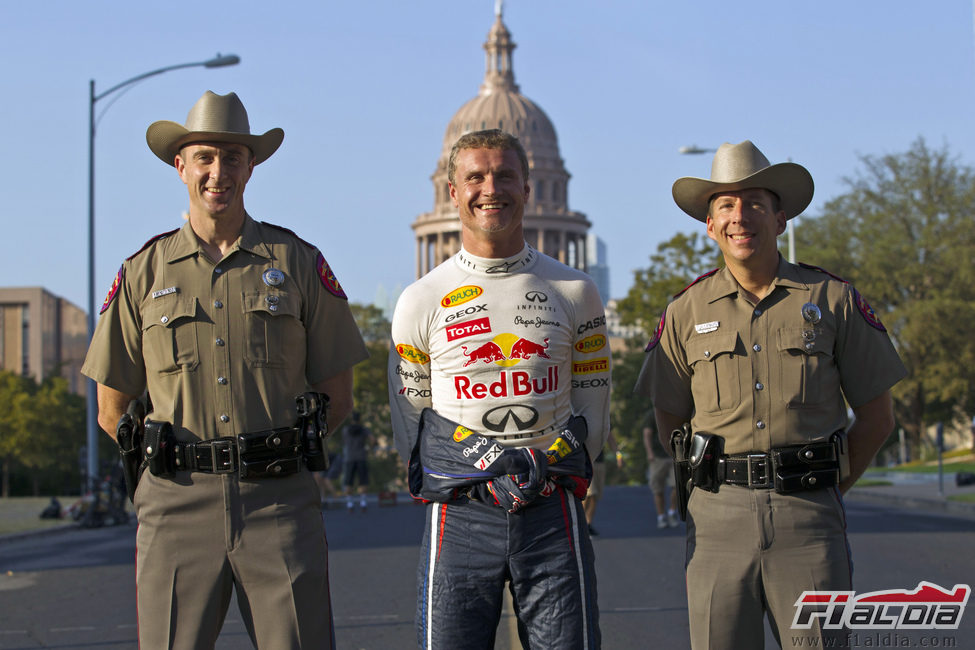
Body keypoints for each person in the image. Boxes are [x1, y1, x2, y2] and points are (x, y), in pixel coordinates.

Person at [81, 90, 368, 649]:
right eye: (205, 157)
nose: (219, 172)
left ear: (251, 166)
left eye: (233, 157)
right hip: (176, 505)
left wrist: (283, 449)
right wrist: (157, 477)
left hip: (279, 502)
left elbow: (338, 394)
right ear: (180, 165)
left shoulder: (299, 264)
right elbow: (111, 408)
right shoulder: (142, 273)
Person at [635, 141, 907, 649]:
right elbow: (669, 415)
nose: (741, 216)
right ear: (710, 225)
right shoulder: (685, 312)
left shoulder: (832, 300)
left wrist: (827, 486)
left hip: (808, 519)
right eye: (726, 205)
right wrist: (706, 493)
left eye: (755, 202)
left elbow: (877, 418)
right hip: (717, 520)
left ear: (780, 218)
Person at [388, 129, 610, 649]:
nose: (492, 189)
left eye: (506, 175)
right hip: (461, 514)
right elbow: (412, 423)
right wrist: (470, 477)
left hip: (551, 506)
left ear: (529, 188)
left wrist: (545, 476)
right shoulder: (420, 300)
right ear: (452, 193)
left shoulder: (575, 291)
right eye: (476, 177)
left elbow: (591, 412)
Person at [582, 430, 622, 536]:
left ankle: (588, 524)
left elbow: (610, 437)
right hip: (586, 460)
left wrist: (618, 454)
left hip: (600, 461)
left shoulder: (602, 416)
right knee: (589, 493)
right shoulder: (580, 414)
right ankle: (580, 522)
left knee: (595, 496)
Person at [642, 422, 679, 529]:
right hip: (658, 457)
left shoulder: (675, 409)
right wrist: (649, 452)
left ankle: (672, 511)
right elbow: (647, 435)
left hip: (674, 456)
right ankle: (661, 516)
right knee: (658, 489)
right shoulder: (651, 415)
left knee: (677, 485)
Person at [341, 410, 373, 511]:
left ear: (351, 419)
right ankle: (363, 502)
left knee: (348, 482)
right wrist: (369, 448)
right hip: (361, 457)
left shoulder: (345, 430)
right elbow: (373, 439)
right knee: (363, 481)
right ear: (360, 419)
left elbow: (344, 441)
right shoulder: (363, 429)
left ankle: (350, 503)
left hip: (349, 458)